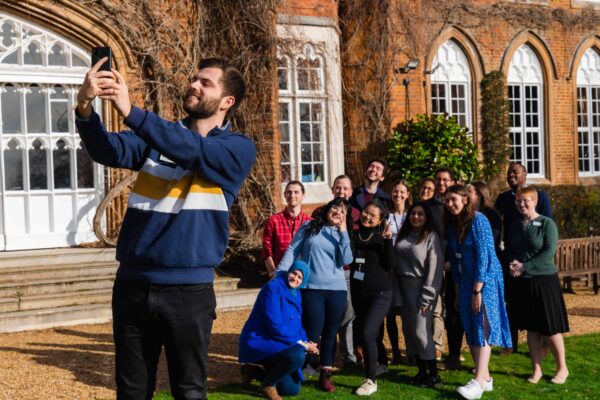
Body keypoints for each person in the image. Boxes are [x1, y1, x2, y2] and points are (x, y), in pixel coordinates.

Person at [75, 57, 256, 399]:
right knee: (131, 391)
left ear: (227, 101)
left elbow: (193, 150)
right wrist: (84, 107)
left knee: (188, 392)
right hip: (132, 285)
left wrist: (132, 112)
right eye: (194, 79)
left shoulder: (237, 149)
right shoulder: (158, 138)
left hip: (188, 293)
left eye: (206, 83)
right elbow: (106, 149)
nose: (194, 85)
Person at [278, 197, 353, 392]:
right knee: (312, 331)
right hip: (311, 288)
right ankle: (301, 367)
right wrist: (280, 273)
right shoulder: (309, 226)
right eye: (335, 207)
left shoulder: (342, 234)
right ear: (328, 208)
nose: (338, 211)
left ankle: (325, 375)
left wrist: (343, 230)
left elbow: (347, 259)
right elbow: (293, 249)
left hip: (336, 290)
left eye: (343, 210)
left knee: (330, 333)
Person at [445, 185, 512, 400]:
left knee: (482, 327)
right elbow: (455, 262)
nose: (450, 203)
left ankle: (478, 381)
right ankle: (486, 378)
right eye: (447, 200)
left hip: (486, 281)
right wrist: (457, 291)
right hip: (465, 282)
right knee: (471, 327)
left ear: (465, 200)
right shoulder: (453, 225)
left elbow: (485, 255)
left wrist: (477, 290)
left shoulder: (479, 220)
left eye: (454, 199)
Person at [506, 187, 569, 385]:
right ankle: (537, 370)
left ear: (534, 201)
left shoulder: (546, 224)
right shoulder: (515, 226)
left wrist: (525, 266)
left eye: (525, 201)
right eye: (518, 201)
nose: (521, 204)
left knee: (550, 328)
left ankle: (562, 368)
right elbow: (509, 248)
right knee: (531, 329)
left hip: (544, 281)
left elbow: (549, 251)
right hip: (523, 282)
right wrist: (512, 263)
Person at [238, 261, 319, 400]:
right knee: (298, 354)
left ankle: (253, 372)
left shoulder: (296, 293)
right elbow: (274, 325)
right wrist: (301, 344)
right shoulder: (273, 288)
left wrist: (307, 342)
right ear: (289, 271)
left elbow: (297, 325)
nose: (295, 278)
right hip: (262, 339)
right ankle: (268, 385)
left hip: (279, 342)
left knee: (291, 389)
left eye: (300, 277)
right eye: (294, 273)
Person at [494, 162, 553, 353]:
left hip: (534, 260)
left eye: (515, 172)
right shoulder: (503, 198)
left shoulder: (540, 196)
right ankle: (510, 344)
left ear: (525, 174)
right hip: (512, 258)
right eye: (509, 172)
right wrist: (507, 256)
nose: (511, 175)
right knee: (512, 302)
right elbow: (497, 224)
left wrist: (529, 262)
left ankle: (543, 342)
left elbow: (546, 224)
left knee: (538, 306)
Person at [311, 175, 360, 368]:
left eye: (345, 188)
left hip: (347, 271)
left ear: (351, 192)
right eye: (338, 188)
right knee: (323, 317)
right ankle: (322, 355)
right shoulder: (321, 212)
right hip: (325, 272)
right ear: (332, 190)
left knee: (348, 313)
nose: (341, 191)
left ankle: (348, 355)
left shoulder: (357, 214)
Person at [350, 199, 395, 396]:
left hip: (381, 293)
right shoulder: (353, 234)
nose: (367, 216)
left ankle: (371, 379)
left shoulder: (381, 237)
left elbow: (391, 264)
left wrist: (388, 241)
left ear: (380, 221)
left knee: (368, 332)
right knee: (366, 332)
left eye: (373, 215)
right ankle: (379, 363)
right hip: (359, 292)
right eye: (366, 212)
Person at [396, 202, 443, 388]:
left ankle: (433, 374)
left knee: (421, 332)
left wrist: (427, 295)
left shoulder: (431, 237)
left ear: (427, 217)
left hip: (421, 288)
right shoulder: (404, 235)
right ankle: (421, 371)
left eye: (420, 214)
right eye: (413, 213)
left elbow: (435, 269)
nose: (416, 217)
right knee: (410, 332)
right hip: (403, 288)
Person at [424, 168, 456, 365]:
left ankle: (453, 350)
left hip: (453, 263)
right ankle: (435, 345)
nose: (442, 183)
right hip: (433, 262)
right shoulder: (428, 206)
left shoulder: (457, 205)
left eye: (445, 180)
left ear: (452, 182)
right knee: (434, 306)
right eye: (438, 180)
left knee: (453, 308)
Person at [386, 179, 413, 364]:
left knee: (407, 312)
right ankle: (395, 351)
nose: (398, 195)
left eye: (402, 192)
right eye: (395, 191)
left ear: (408, 195)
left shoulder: (412, 216)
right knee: (389, 312)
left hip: (407, 267)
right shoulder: (386, 216)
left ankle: (411, 351)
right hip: (390, 268)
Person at [262, 181, 312, 277]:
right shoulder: (273, 221)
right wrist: (273, 273)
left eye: (296, 192)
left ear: (303, 195)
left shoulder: (310, 223)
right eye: (289, 192)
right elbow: (266, 251)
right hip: (281, 276)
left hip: (303, 276)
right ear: (285, 195)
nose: (292, 195)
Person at [467, 182, 502, 249]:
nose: (466, 194)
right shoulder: (466, 213)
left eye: (469, 191)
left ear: (479, 194)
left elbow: (492, 239)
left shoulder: (492, 215)